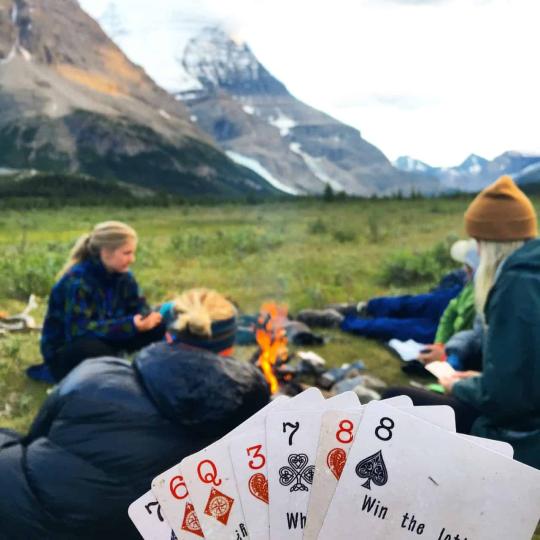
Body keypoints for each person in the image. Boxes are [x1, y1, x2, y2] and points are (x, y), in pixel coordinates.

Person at [0, 288, 270, 539]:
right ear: (228, 348)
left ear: (168, 335)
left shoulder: (96, 373)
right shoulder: (248, 418)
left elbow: (34, 436)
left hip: (16, 512)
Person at [383, 176, 540, 469]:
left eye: (478, 244)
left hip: (521, 442)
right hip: (528, 423)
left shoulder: (515, 286)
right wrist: (474, 379)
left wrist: (456, 386)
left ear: (490, 245)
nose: (477, 253)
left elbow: (508, 401)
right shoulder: (531, 276)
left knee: (395, 400)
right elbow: (523, 379)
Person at [39, 221, 165, 382]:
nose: (132, 259)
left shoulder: (125, 277)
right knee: (90, 348)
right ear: (106, 253)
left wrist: (148, 318)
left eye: (133, 253)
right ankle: (121, 370)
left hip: (110, 339)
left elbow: (138, 307)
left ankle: (129, 367)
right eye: (127, 253)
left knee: (159, 327)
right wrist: (130, 325)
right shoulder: (77, 281)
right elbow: (79, 331)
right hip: (69, 351)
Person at [297, 239, 476, 344]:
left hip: (461, 322)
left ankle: (339, 321)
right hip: (463, 294)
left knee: (405, 327)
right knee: (413, 303)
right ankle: (361, 308)